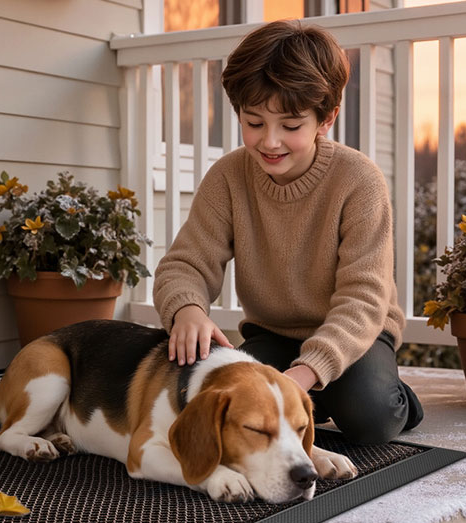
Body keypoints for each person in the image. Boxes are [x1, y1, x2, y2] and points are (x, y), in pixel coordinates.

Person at [152, 20, 422, 445]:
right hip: (273, 334)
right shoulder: (227, 177)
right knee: (211, 397)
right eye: (254, 122)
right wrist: (187, 308)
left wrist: (306, 371)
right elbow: (185, 263)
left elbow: (364, 299)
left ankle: (376, 392)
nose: (270, 141)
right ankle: (322, 394)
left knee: (371, 418)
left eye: (291, 126)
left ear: (325, 119)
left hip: (356, 333)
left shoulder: (359, 180)